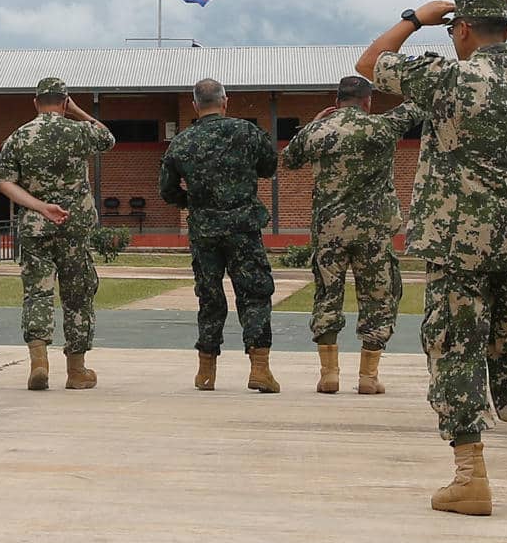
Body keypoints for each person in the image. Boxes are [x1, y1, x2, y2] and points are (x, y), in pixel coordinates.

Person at [358, 0, 507, 517]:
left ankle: (470, 477)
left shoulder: (448, 78)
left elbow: (368, 64)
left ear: (463, 30)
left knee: (456, 345)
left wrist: (413, 18)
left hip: (459, 242)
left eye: (454, 29)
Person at [281, 75, 420, 395]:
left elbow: (289, 160)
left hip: (330, 230)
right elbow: (416, 107)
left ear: (337, 99)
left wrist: (310, 126)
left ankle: (329, 374)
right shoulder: (382, 126)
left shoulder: (318, 131)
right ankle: (368, 377)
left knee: (327, 296)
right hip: (373, 231)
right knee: (378, 299)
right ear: (368, 101)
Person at [0, 77, 116, 391]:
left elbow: (5, 183)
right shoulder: (79, 132)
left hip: (36, 227)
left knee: (38, 293)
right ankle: (76, 370)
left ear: (35, 102)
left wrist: (39, 206)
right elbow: (108, 138)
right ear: (64, 102)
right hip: (74, 228)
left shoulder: (19, 136)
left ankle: (39, 362)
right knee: (78, 295)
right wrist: (77, 111)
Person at [158, 78, 279, 393]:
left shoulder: (181, 142)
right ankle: (260, 369)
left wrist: (194, 202)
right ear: (226, 102)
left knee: (210, 297)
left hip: (204, 230)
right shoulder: (247, 133)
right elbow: (269, 166)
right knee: (254, 294)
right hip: (243, 229)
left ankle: (206, 371)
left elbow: (167, 191)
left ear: (195, 105)